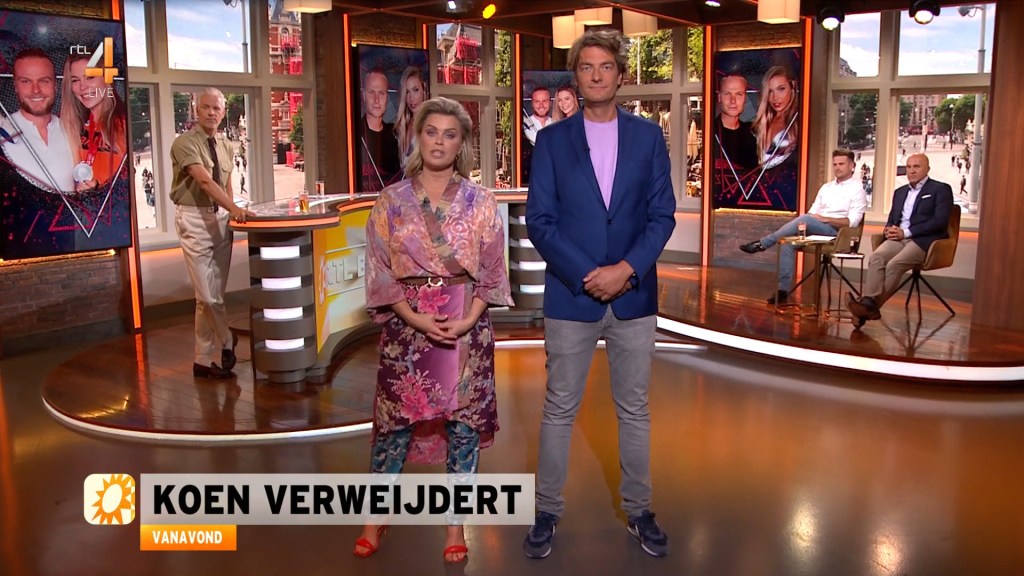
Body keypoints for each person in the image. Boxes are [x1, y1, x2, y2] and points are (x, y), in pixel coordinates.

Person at [523, 29, 676, 560]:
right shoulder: (552, 141)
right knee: (559, 407)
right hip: (573, 296)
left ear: (620, 75)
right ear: (576, 76)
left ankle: (640, 510)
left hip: (633, 296)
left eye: (605, 66)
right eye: (586, 66)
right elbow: (540, 222)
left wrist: (626, 270)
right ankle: (546, 512)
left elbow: (662, 216)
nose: (595, 75)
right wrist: (591, 275)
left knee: (634, 409)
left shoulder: (648, 138)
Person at [356, 97, 513, 564]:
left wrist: (469, 318)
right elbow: (379, 270)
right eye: (431, 132)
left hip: (467, 328)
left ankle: (455, 524)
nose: (439, 142)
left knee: (463, 428)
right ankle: (375, 516)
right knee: (393, 427)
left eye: (450, 134)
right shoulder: (391, 201)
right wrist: (416, 318)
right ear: (417, 137)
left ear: (461, 144)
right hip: (408, 331)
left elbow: (492, 270)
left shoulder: (481, 201)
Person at [170, 88, 253, 379]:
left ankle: (202, 360)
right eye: (206, 107)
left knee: (210, 296)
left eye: (216, 108)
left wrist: (233, 212)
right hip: (194, 219)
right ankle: (227, 338)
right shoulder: (184, 143)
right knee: (207, 296)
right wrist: (235, 209)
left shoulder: (227, 145)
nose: (211, 113)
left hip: (221, 221)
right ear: (197, 110)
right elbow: (205, 182)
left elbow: (226, 185)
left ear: (223, 112)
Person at [738, 149, 867, 304]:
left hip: (837, 233)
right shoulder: (826, 188)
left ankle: (763, 243)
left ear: (852, 166)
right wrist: (810, 222)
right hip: (816, 228)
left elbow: (853, 222)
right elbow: (812, 212)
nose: (837, 168)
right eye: (835, 164)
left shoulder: (857, 190)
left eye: (841, 164)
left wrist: (826, 219)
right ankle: (782, 291)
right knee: (787, 242)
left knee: (805, 219)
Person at [847, 154, 954, 324]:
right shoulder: (900, 192)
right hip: (898, 238)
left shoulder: (940, 189)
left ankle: (867, 306)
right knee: (876, 257)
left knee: (894, 264)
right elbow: (892, 218)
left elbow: (939, 222)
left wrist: (907, 233)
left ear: (927, 169)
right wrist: (888, 230)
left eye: (917, 167)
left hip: (923, 240)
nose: (912, 171)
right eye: (909, 167)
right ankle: (868, 305)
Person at [0, 48, 76, 192]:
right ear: (15, 86)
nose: (36, 90)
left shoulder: (74, 132)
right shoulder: (2, 132)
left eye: (44, 81)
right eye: (26, 81)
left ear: (55, 85)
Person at [60, 50, 128, 192]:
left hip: (111, 205)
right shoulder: (71, 126)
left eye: (90, 77)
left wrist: (98, 189)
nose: (82, 87)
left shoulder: (124, 124)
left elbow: (130, 183)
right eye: (75, 80)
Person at [359, 69, 400, 192]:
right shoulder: (354, 134)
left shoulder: (395, 135)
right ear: (364, 95)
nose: (376, 100)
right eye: (371, 92)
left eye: (381, 93)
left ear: (387, 97)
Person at [753, 65, 799, 170]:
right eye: (770, 91)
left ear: (792, 88)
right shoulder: (760, 124)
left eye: (781, 89)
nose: (775, 97)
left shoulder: (799, 123)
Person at [713, 72, 758, 173]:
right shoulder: (710, 131)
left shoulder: (753, 133)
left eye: (739, 94)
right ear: (719, 97)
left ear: (745, 98)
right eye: (727, 94)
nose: (733, 101)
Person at [393, 66, 428, 165]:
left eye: (415, 90)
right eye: (407, 92)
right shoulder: (402, 126)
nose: (411, 98)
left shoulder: (430, 124)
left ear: (423, 89)